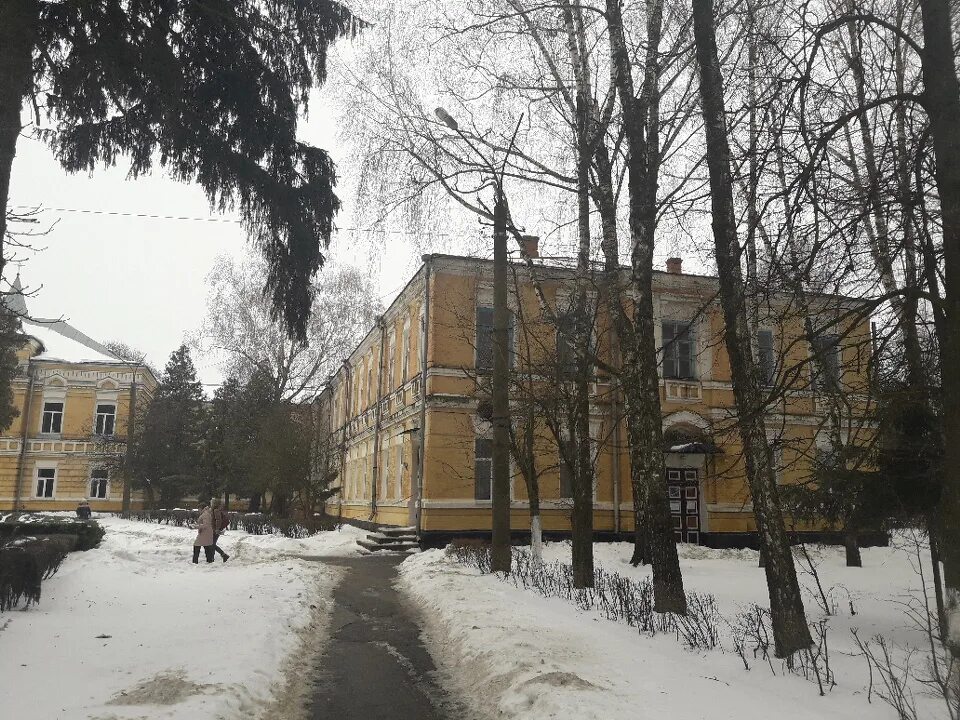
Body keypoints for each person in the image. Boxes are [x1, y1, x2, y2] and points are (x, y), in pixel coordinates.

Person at [210, 497, 230, 563]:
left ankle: (221, 556)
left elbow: (218, 520)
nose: (210, 503)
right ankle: (222, 556)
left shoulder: (216, 510)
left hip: (216, 530)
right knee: (212, 544)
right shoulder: (214, 510)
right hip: (215, 529)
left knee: (212, 544)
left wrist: (217, 529)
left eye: (212, 502)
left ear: (214, 503)